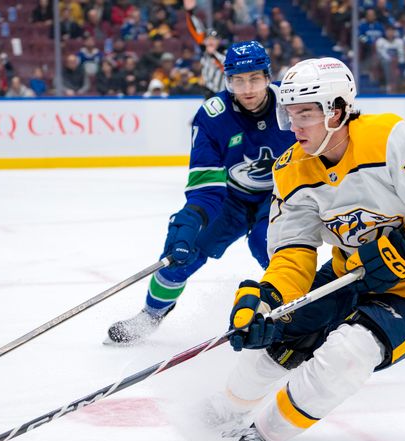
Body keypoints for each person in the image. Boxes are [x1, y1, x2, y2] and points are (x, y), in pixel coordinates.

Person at [219, 57, 405, 441]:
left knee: (347, 354)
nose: (295, 125)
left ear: (337, 111)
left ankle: (262, 436)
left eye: (306, 114)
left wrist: (404, 248)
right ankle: (224, 412)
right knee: (280, 332)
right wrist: (270, 298)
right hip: (348, 274)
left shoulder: (394, 140)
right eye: (290, 114)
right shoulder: (291, 169)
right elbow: (294, 251)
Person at [106, 41, 297, 344]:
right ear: (227, 80)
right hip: (230, 200)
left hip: (281, 195)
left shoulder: (292, 105)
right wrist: (188, 223)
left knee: (270, 248)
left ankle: (298, 316)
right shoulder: (213, 116)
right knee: (183, 251)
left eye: (255, 79)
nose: (247, 89)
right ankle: (151, 315)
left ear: (268, 76)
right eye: (237, 80)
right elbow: (205, 189)